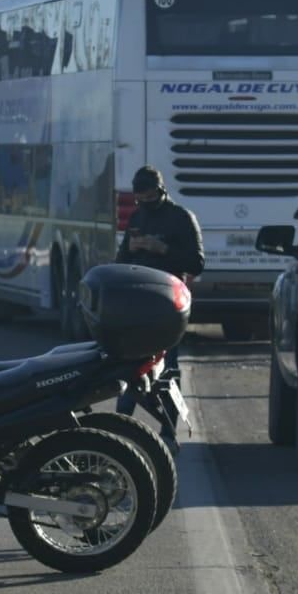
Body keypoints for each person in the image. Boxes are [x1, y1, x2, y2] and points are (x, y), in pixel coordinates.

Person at [113, 166, 204, 437]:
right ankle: (121, 425)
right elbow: (120, 263)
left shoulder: (181, 218)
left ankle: (168, 429)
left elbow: (196, 263)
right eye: (140, 199)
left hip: (168, 305)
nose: (145, 204)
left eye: (150, 198)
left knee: (168, 370)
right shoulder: (138, 217)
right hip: (137, 306)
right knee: (130, 366)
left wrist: (163, 249)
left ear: (161, 192)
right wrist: (130, 250)